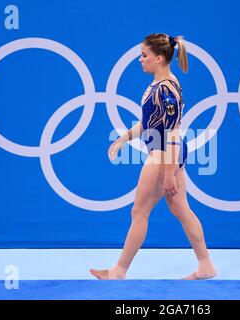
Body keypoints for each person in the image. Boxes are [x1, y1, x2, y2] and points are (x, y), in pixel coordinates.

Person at [90, 33, 217, 280]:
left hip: (163, 155)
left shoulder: (166, 90)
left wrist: (169, 173)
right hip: (168, 152)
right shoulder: (161, 84)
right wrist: (125, 137)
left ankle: (118, 272)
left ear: (159, 58)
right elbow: (149, 122)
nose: (140, 60)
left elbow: (171, 134)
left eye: (144, 55)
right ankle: (206, 267)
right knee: (181, 209)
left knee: (139, 213)